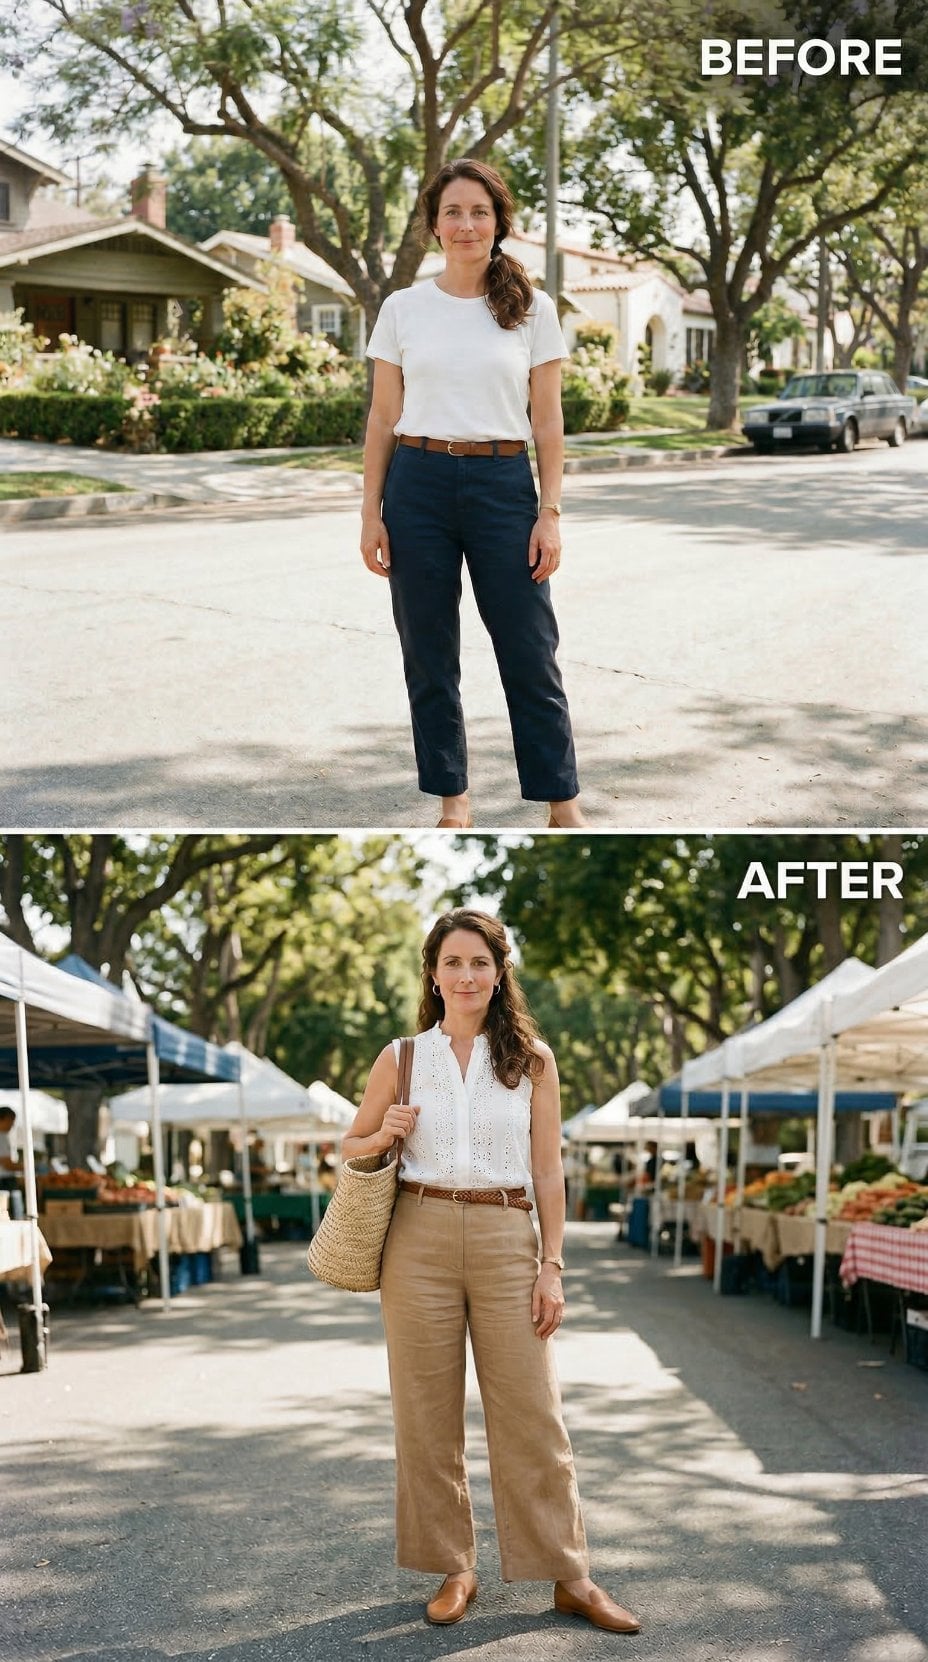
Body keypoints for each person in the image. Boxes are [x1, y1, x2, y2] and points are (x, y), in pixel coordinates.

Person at [342, 909, 639, 1633]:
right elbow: (350, 1149)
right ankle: (455, 1566)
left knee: (534, 1413)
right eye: (453, 963)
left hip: (509, 1234)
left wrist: (552, 1265)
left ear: (500, 971)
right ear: (433, 974)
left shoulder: (533, 1059)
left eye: (480, 962)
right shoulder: (401, 1057)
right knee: (426, 1411)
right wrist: (385, 1132)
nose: (467, 975)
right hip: (417, 1233)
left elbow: (547, 1169)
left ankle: (570, 1575)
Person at [360, 158, 584, 830]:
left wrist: (550, 514)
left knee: (529, 649)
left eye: (479, 212)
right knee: (429, 652)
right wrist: (371, 511)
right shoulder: (403, 307)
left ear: (498, 223)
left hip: (502, 485)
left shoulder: (532, 309)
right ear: (434, 226)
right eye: (453, 212)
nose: (466, 224)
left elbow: (547, 421)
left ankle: (561, 803)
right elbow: (381, 417)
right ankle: (454, 798)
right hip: (418, 487)